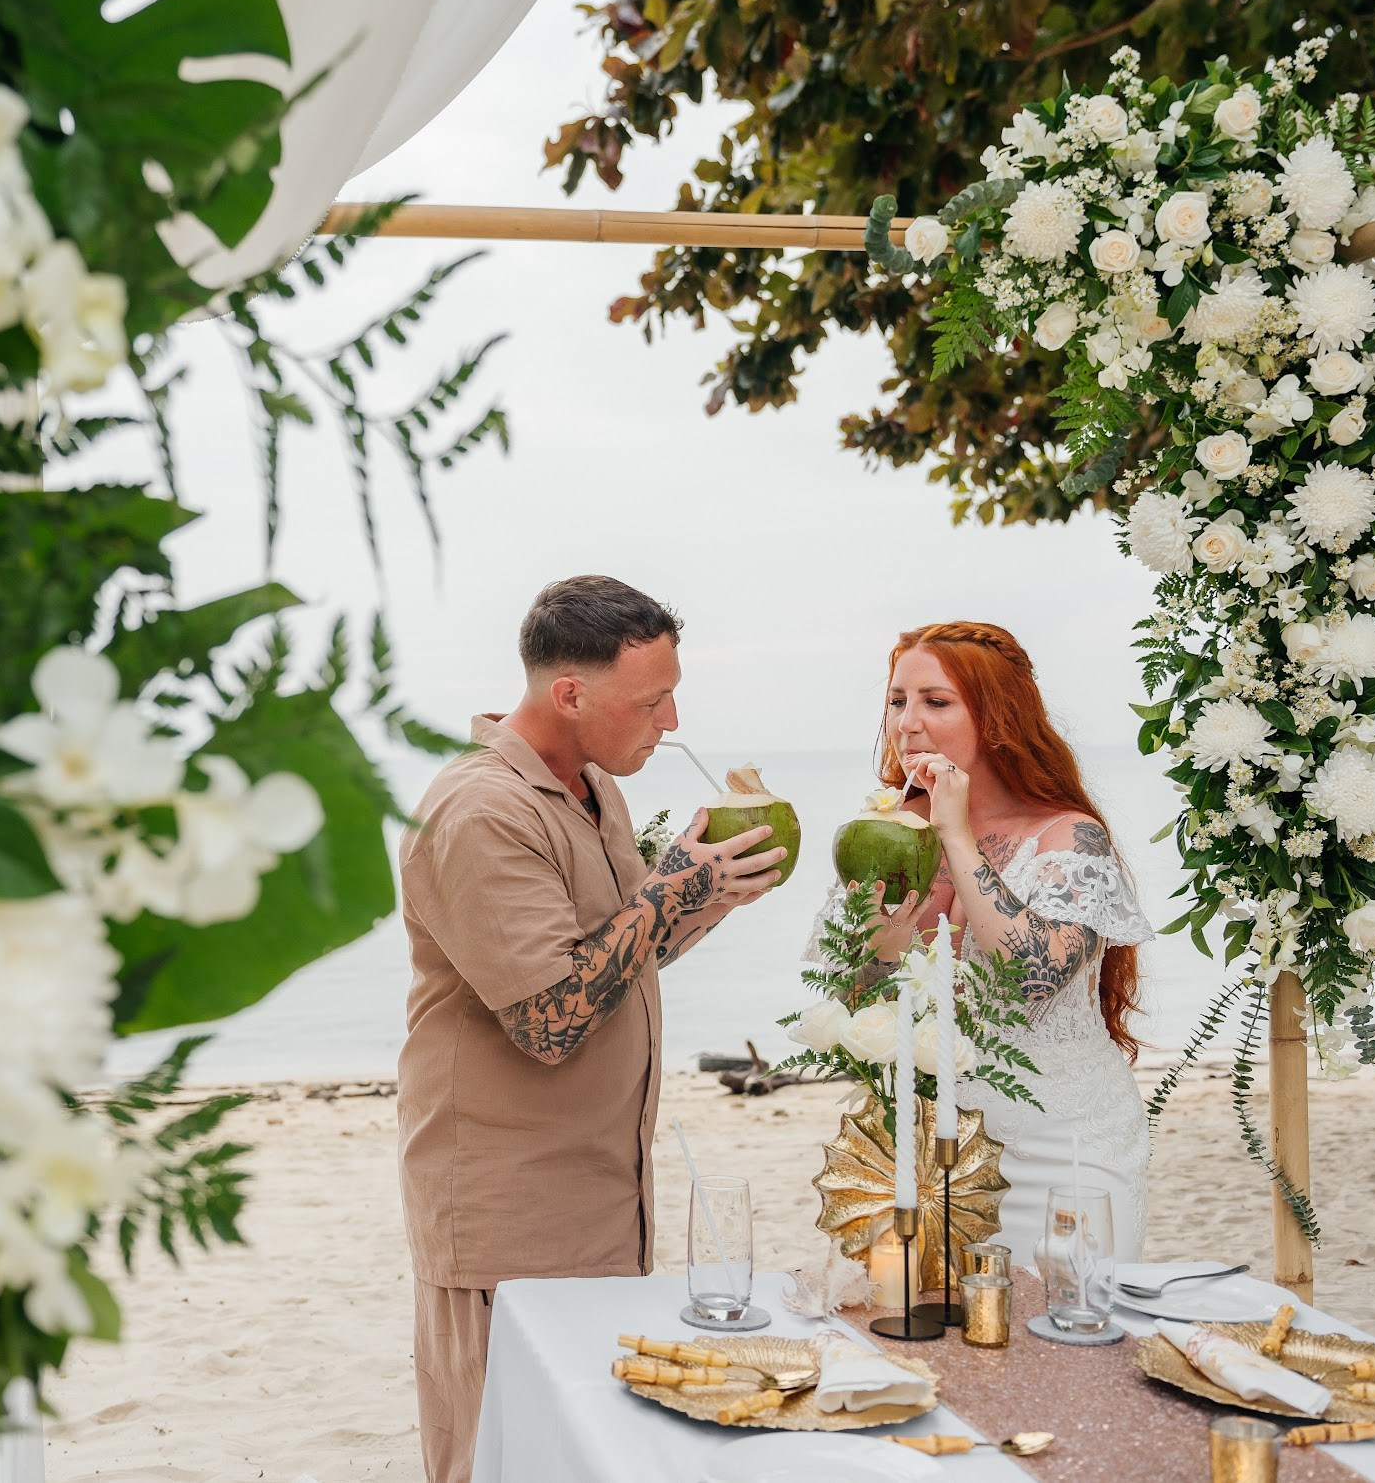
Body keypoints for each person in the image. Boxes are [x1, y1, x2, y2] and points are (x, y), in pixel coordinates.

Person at [396, 576, 786, 1483]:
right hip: (509, 1218)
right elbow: (549, 1018)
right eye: (651, 700)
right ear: (569, 694)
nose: (673, 718)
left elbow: (616, 958)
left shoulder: (594, 789)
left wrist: (707, 896)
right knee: (497, 1461)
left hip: (606, 1202)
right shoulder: (479, 810)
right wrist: (669, 890)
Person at [851, 620, 1153, 1263]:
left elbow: (1035, 976)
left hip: (1064, 1147)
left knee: (1073, 1333)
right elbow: (858, 998)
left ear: (997, 719)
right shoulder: (887, 834)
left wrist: (957, 837)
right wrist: (879, 950)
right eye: (896, 701)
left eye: (936, 702)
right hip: (932, 1154)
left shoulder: (1066, 837)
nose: (907, 723)